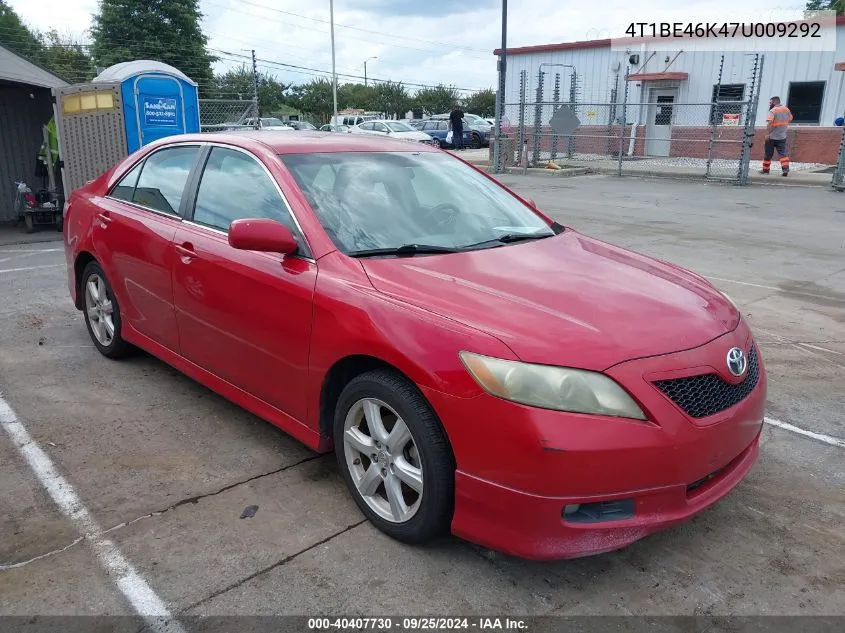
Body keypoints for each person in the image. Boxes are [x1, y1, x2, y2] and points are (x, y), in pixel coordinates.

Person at [760, 96, 793, 177]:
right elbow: (790, 118)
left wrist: (767, 134)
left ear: (775, 102)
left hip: (771, 137)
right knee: (783, 154)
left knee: (768, 154)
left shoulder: (773, 110)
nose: (769, 104)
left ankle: (765, 171)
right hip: (782, 136)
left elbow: (769, 123)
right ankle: (785, 170)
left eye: (770, 102)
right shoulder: (786, 109)